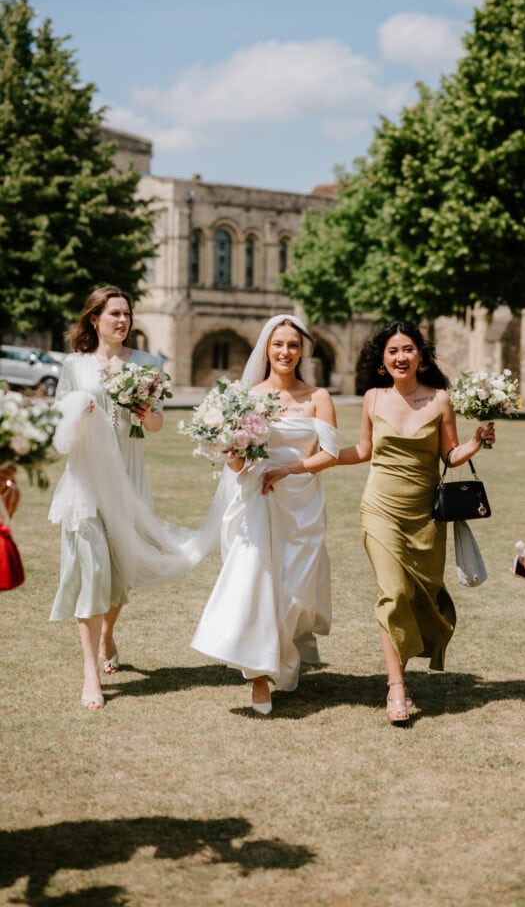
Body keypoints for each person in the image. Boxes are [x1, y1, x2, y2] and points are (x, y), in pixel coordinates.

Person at [337, 321, 496, 724]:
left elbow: (450, 455)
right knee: (392, 592)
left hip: (424, 515)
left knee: (416, 594)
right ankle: (396, 688)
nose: (400, 357)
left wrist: (476, 442)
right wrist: (315, 459)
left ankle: (404, 668)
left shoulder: (440, 400)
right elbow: (362, 449)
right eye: (393, 351)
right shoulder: (373, 398)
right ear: (383, 360)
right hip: (379, 509)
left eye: (407, 349)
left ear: (420, 356)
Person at [191, 314, 339, 715]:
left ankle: (284, 656)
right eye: (278, 344)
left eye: (292, 345)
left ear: (302, 350)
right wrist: (232, 451)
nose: (285, 352)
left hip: (302, 501)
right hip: (258, 496)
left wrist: (289, 469)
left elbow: (330, 454)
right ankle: (257, 674)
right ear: (267, 349)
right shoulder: (249, 396)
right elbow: (236, 463)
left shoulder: (318, 397)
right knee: (254, 580)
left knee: (294, 592)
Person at [49, 286, 165, 709]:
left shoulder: (148, 364)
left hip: (128, 476)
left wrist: (146, 413)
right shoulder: (75, 366)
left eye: (127, 314)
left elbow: (156, 425)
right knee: (93, 571)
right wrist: (79, 411)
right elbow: (57, 423)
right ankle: (90, 674)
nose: (122, 321)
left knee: (121, 574)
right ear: (94, 319)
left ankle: (109, 633)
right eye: (114, 313)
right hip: (88, 478)